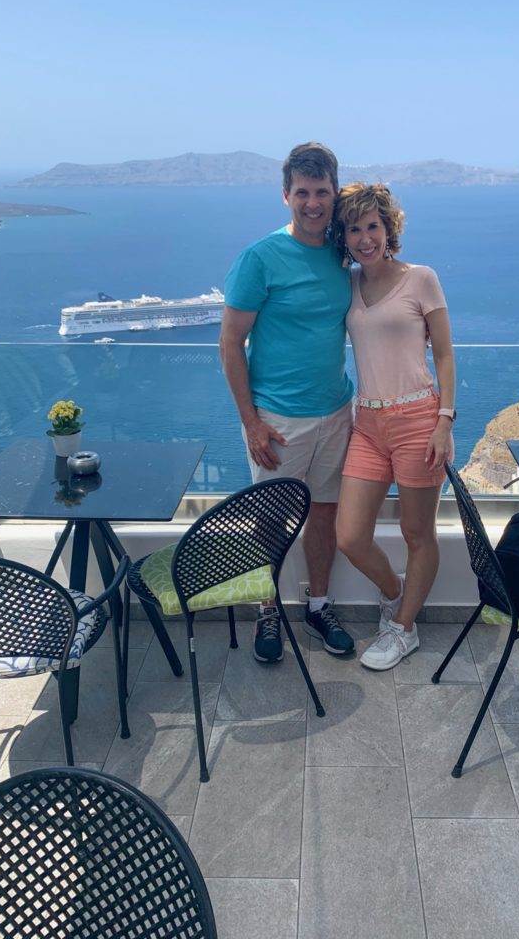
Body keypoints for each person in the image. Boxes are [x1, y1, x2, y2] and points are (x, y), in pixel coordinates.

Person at [219, 142, 355, 663]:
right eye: (303, 192)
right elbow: (230, 344)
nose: (313, 203)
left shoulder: (343, 254)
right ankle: (267, 611)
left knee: (323, 514)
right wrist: (250, 423)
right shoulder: (260, 258)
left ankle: (318, 605)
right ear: (286, 196)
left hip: (336, 413)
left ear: (334, 193)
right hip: (276, 421)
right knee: (270, 521)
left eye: (322, 192)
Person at [332, 183, 456, 670]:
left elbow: (444, 355)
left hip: (418, 419)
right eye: (355, 229)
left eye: (373, 226)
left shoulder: (421, 278)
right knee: (349, 535)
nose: (366, 238)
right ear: (345, 237)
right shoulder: (348, 285)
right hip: (367, 422)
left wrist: (444, 421)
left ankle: (404, 629)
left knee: (416, 532)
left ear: (389, 229)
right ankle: (395, 594)